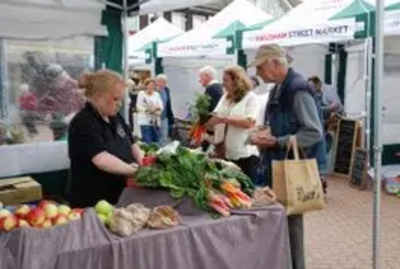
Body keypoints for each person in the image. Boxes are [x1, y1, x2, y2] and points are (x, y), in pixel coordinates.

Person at [249, 44, 327, 269]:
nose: (258, 73)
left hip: (290, 170)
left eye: (260, 67)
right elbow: (282, 125)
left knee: (292, 225)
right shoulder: (278, 88)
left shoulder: (298, 89)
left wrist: (276, 141)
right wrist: (264, 133)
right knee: (279, 223)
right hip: (276, 166)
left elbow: (313, 132)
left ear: (274, 62)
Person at [67, 70, 144, 207]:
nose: (119, 103)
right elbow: (101, 159)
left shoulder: (115, 117)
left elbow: (132, 143)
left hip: (119, 198)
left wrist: (142, 161)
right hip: (93, 203)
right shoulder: (83, 123)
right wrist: (134, 171)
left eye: (121, 99)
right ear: (98, 96)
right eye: (115, 99)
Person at [204, 65, 260, 182]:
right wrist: (204, 121)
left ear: (237, 81)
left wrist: (225, 119)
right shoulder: (225, 97)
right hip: (224, 152)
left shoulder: (251, 98)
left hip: (245, 153)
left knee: (245, 191)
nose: (223, 84)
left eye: (226, 80)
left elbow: (249, 122)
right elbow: (216, 115)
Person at [198, 66, 223, 151]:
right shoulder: (217, 87)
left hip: (212, 130)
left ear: (207, 76)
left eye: (200, 77)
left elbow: (214, 110)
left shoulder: (213, 88)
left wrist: (204, 123)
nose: (199, 80)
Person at [136, 79, 163, 144]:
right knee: (148, 141)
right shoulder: (141, 94)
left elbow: (161, 105)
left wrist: (156, 109)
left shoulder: (156, 94)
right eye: (150, 85)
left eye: (153, 85)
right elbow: (138, 106)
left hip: (155, 121)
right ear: (146, 86)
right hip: (145, 121)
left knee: (156, 141)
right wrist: (147, 110)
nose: (151, 87)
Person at [155, 74, 175, 146]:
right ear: (157, 82)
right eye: (163, 81)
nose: (164, 83)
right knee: (156, 136)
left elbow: (168, 104)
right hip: (155, 118)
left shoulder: (166, 89)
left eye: (165, 82)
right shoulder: (153, 90)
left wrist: (171, 118)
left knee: (164, 136)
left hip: (164, 117)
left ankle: (162, 152)